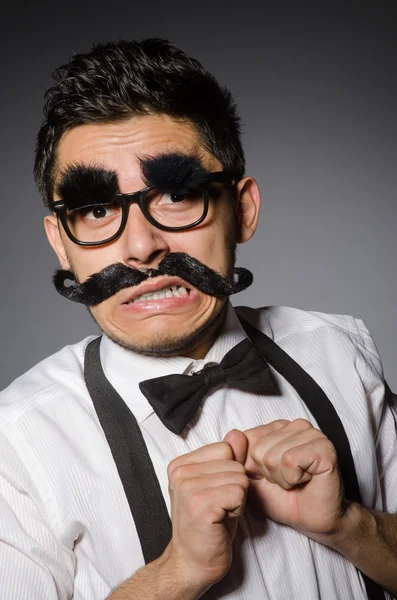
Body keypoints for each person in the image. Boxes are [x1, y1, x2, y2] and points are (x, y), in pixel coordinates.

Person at [0, 38, 396, 600]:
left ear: (244, 210)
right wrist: (175, 574)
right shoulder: (14, 443)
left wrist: (349, 526)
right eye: (95, 210)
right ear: (62, 245)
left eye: (177, 195)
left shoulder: (340, 350)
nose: (141, 247)